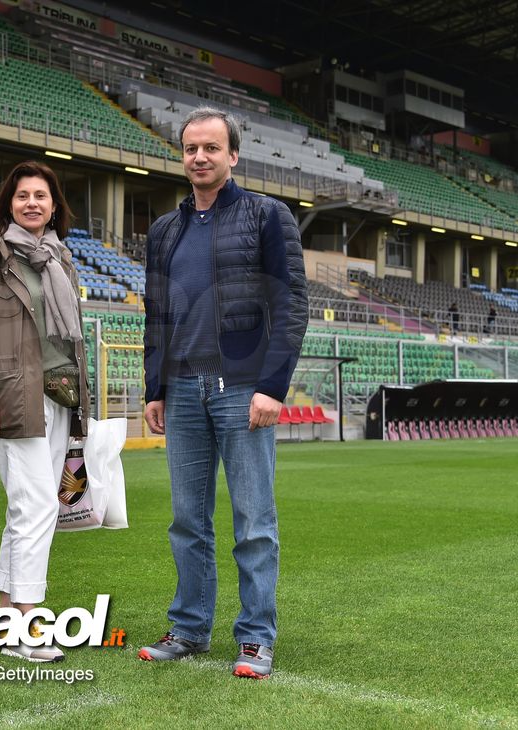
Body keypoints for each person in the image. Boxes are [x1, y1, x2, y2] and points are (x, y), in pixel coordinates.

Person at [138, 107, 307, 680]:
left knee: (253, 522)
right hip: (183, 389)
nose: (200, 157)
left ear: (233, 154)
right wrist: (155, 386)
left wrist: (272, 385)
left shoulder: (267, 215)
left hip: (241, 389)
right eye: (191, 148)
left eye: (211, 147)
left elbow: (291, 303)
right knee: (187, 521)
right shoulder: (165, 230)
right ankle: (189, 628)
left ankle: (256, 638)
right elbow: (156, 313)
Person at [0, 160, 89, 663]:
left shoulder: (62, 261)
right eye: (22, 196)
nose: (31, 203)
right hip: (15, 398)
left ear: (54, 207)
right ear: (8, 205)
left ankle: (4, 616)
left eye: (40, 196)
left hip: (61, 398)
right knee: (36, 508)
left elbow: (71, 343)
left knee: (27, 511)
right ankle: (26, 626)